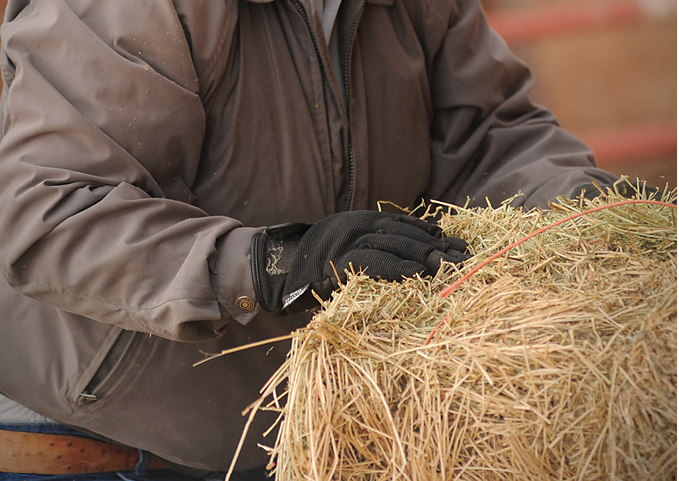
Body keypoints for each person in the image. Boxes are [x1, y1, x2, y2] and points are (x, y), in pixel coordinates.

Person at [0, 0, 620, 478]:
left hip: (303, 435)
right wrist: (272, 263)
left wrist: (595, 227)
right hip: (101, 439)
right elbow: (52, 211)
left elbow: (494, 136)